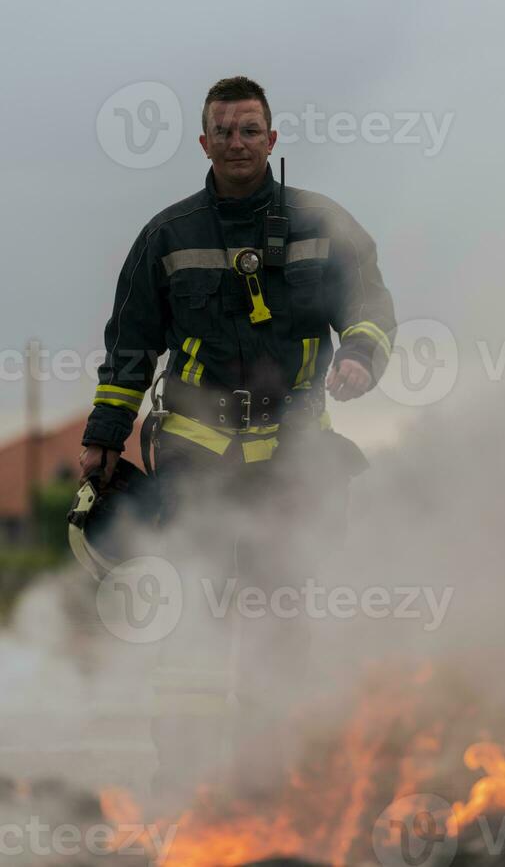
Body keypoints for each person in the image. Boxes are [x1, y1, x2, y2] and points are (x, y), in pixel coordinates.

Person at [77, 75, 396, 800]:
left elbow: (372, 305)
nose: (237, 142)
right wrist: (103, 437)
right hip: (195, 458)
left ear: (273, 139)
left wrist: (360, 354)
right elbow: (130, 346)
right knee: (190, 617)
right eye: (223, 131)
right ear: (203, 142)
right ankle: (185, 783)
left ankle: (278, 783)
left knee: (282, 614)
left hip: (295, 457)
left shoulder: (325, 225)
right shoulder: (167, 235)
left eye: (250, 130)